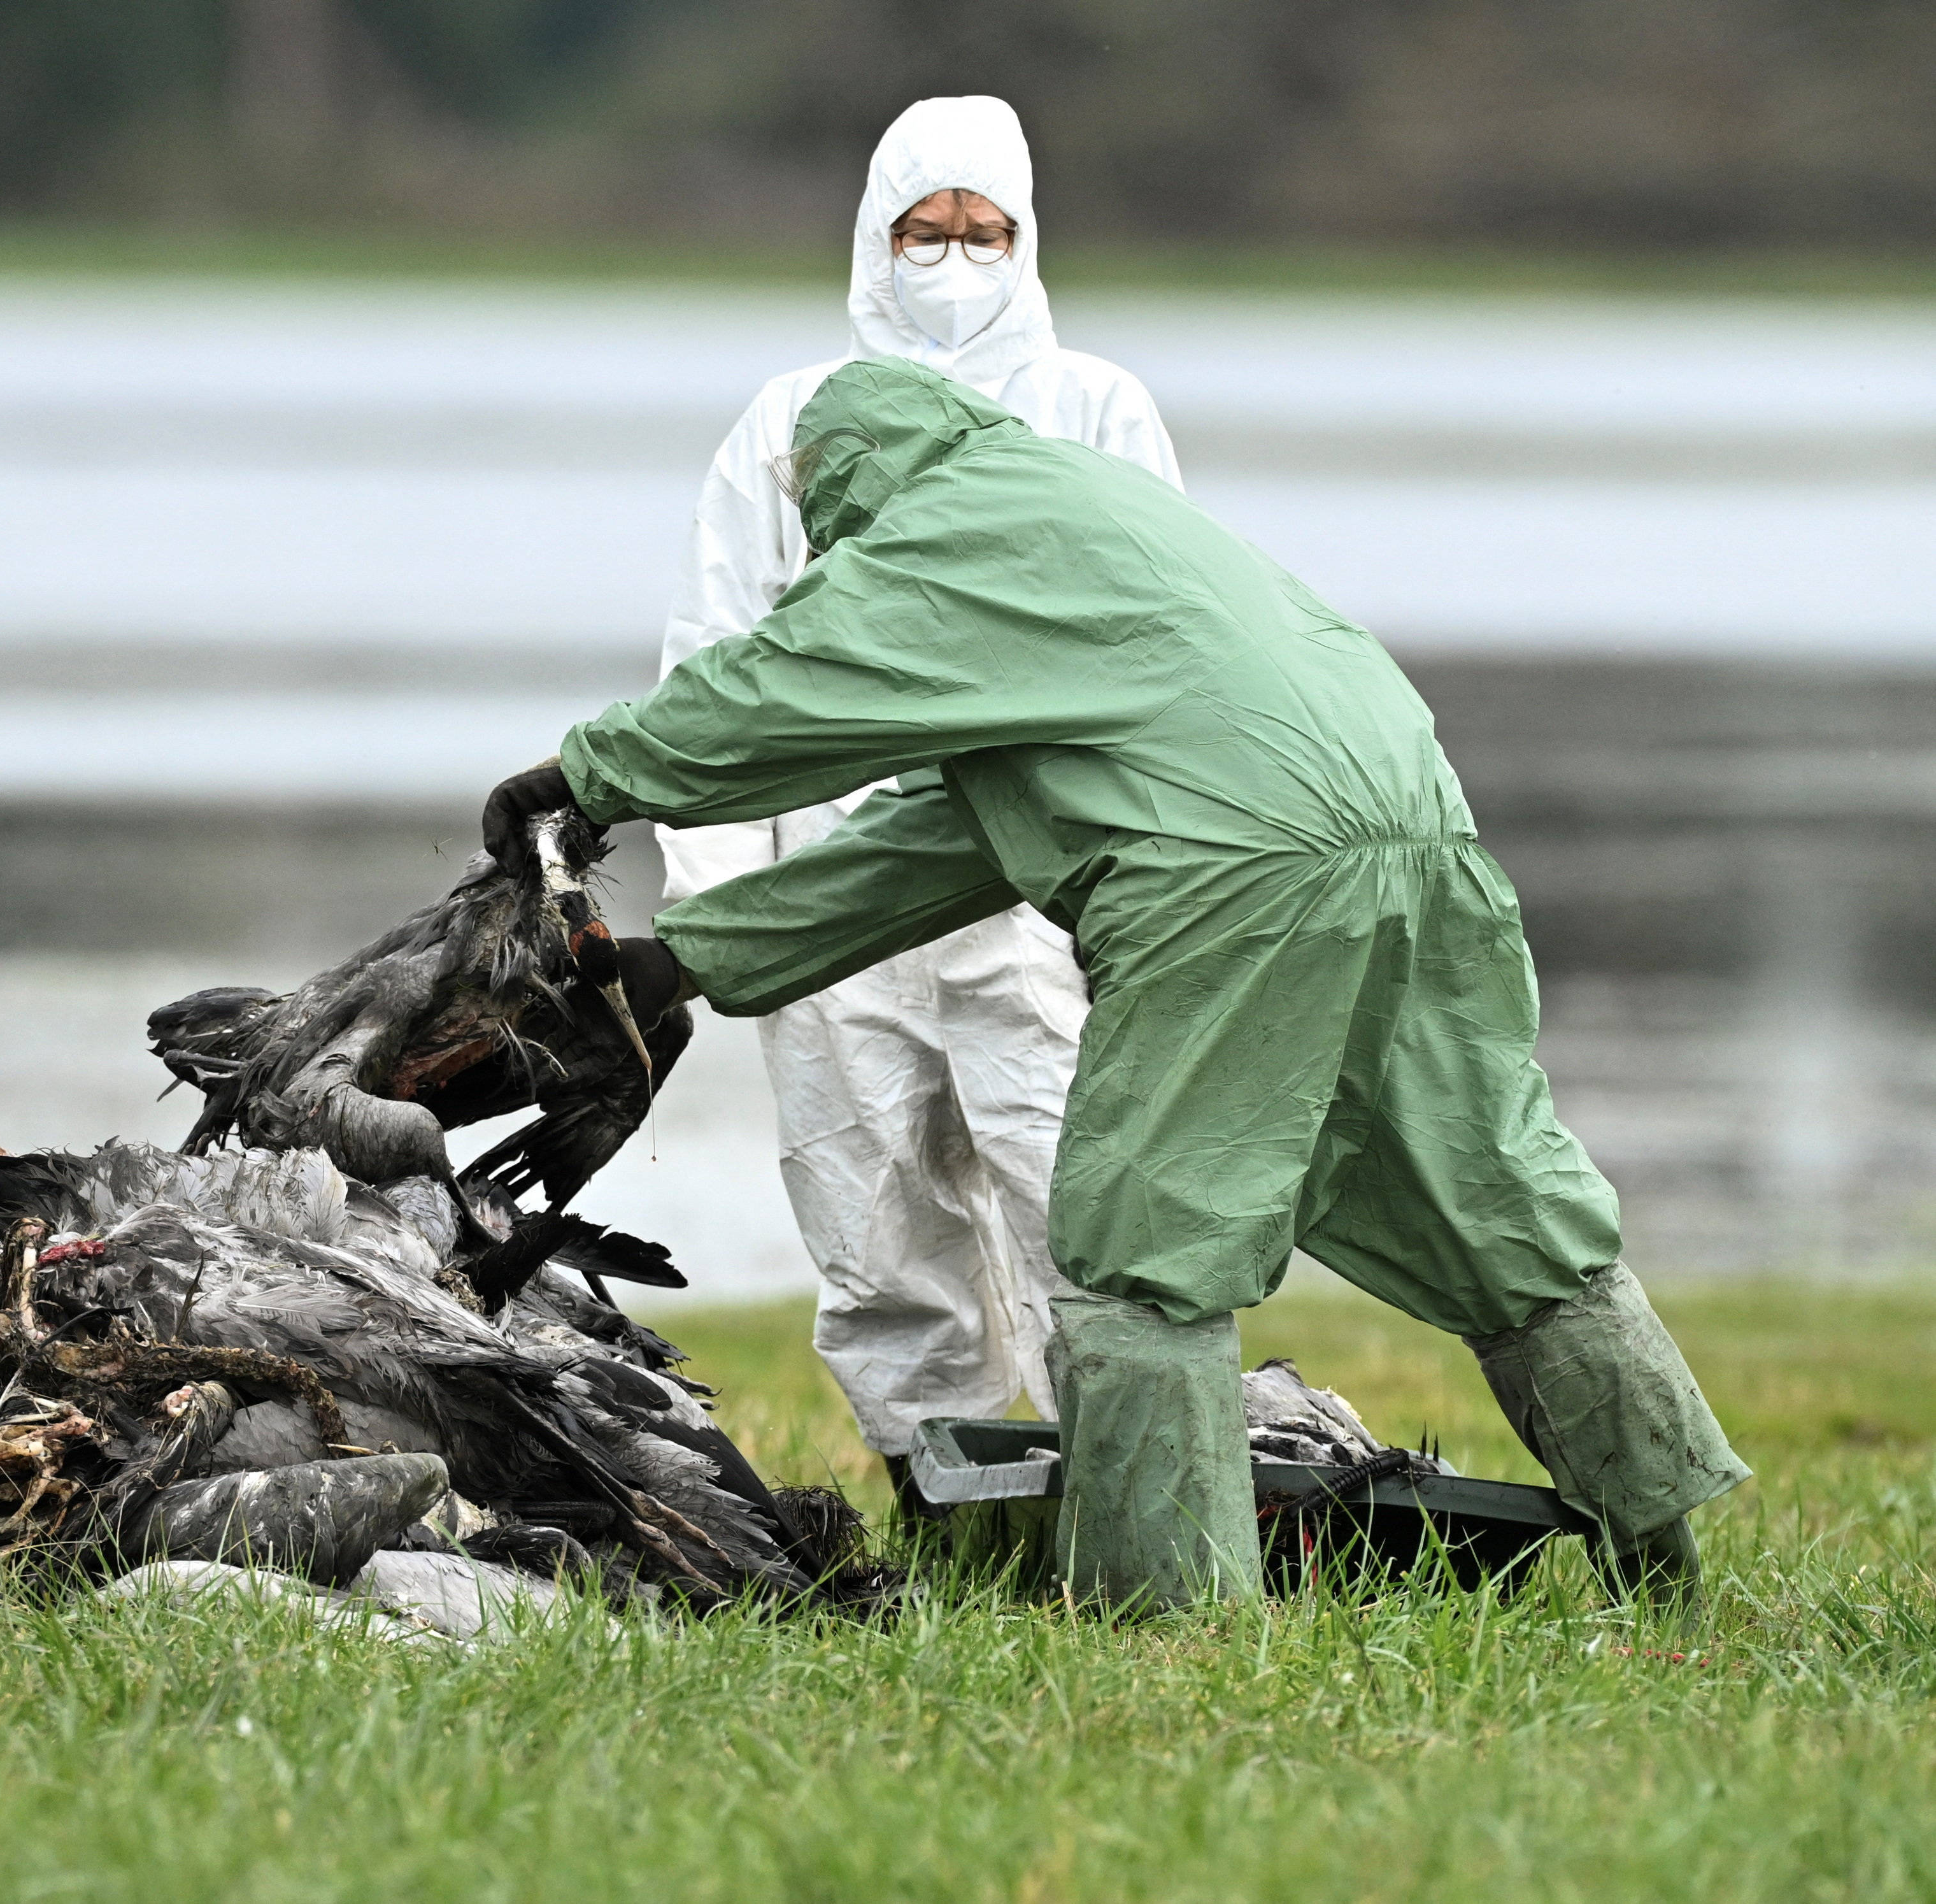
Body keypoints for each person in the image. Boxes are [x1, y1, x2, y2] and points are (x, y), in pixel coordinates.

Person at [485, 357, 1749, 1607]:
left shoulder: (942, 525)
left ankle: (1171, 1619)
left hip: (1236, 873)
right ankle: (1669, 1571)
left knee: (1142, 1254)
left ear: (844, 482)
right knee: (1501, 1209)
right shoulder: (1083, 520)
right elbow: (962, 834)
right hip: (1418, 841)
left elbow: (775, 694)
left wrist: (585, 777)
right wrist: (693, 959)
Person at [655, 96, 1181, 1485]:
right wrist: (728, 916)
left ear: (1026, 238)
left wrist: (1144, 892)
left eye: (982, 233)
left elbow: (1166, 653)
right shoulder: (785, 427)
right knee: (870, 1212)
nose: (953, 263)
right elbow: (714, 670)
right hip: (835, 889)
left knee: (1076, 1196)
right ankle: (948, 1494)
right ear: (870, 243)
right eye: (923, 233)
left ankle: (1124, 1494)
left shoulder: (1095, 410)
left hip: (1037, 886)